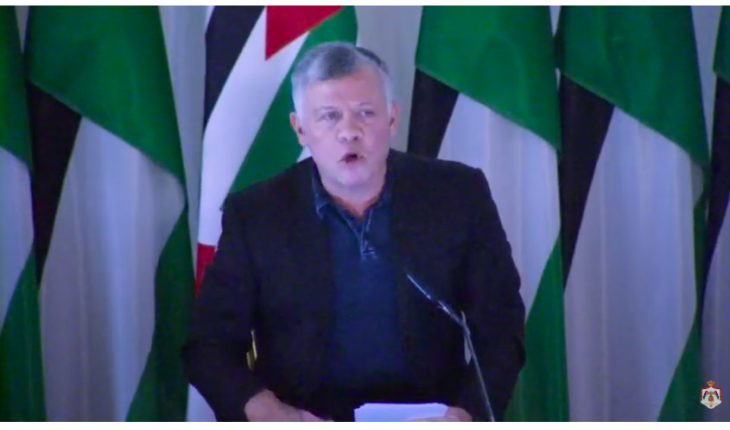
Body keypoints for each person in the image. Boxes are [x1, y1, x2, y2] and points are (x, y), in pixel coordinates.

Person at [181, 41, 525, 422]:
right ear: (300, 128)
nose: (349, 132)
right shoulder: (256, 214)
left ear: (391, 120)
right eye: (329, 116)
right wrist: (269, 412)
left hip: (430, 416)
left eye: (365, 113)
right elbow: (209, 345)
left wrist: (464, 415)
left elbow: (501, 328)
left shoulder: (458, 195)